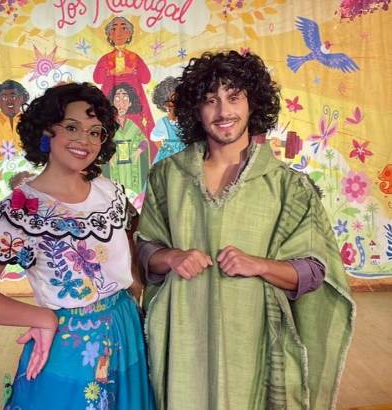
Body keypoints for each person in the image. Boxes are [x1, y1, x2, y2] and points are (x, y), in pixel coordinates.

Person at [135, 51, 355, 409]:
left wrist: (260, 265)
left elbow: (315, 271)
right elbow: (146, 249)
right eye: (211, 100)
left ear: (254, 104)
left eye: (234, 97)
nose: (223, 111)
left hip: (255, 336)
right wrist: (171, 257)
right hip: (184, 334)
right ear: (196, 110)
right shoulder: (168, 176)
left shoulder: (287, 186)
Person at [0, 82, 155, 410]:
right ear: (47, 131)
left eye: (95, 132)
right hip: (68, 341)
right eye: (72, 127)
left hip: (125, 328)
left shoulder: (110, 191)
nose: (84, 140)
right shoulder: (22, 209)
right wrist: (41, 317)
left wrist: (133, 290)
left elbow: (133, 240)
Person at [93, 16, 157, 160]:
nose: (119, 33)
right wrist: (110, 71)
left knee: (138, 131)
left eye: (123, 28)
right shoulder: (105, 59)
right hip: (110, 100)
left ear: (129, 33)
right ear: (109, 35)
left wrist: (133, 70)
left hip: (134, 102)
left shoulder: (134, 57)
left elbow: (146, 78)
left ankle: (140, 159)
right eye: (114, 29)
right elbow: (97, 78)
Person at [102, 82, 150, 200]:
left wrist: (138, 151)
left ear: (130, 103)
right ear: (112, 103)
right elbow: (101, 144)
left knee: (133, 198)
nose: (121, 104)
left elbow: (144, 141)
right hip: (115, 168)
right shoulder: (108, 126)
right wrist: (109, 156)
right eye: (117, 99)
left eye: (125, 99)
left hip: (133, 168)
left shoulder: (132, 125)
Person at [150, 76, 185, 164]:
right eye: (170, 101)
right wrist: (165, 150)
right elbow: (155, 138)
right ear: (164, 104)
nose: (174, 104)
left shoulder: (186, 120)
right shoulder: (163, 123)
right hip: (169, 158)